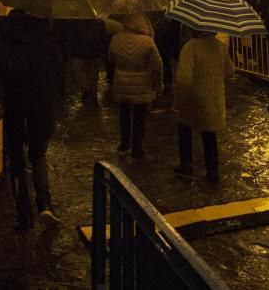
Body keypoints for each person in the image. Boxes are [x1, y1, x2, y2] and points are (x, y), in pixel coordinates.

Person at [0, 9, 62, 230]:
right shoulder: (46, 42)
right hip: (40, 107)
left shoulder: (2, 43)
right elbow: (58, 75)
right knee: (38, 155)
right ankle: (45, 205)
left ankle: (23, 214)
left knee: (16, 160)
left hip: (12, 107)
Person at [173, 30, 235, 183]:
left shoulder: (190, 47)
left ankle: (186, 164)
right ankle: (213, 171)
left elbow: (184, 79)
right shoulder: (220, 46)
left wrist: (178, 101)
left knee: (184, 127)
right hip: (214, 97)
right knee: (209, 133)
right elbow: (230, 71)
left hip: (194, 97)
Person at [109, 13, 163, 158]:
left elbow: (111, 58)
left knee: (124, 113)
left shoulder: (115, 38)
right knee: (139, 116)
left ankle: (124, 142)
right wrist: (159, 85)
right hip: (142, 82)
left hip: (121, 81)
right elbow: (157, 65)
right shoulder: (148, 41)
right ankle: (137, 147)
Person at [70, 18, 108, 105]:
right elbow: (104, 38)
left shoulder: (76, 22)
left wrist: (71, 52)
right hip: (95, 52)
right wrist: (103, 51)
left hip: (79, 52)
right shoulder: (99, 22)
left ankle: (86, 91)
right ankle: (92, 95)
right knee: (93, 74)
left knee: (80, 72)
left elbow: (71, 38)